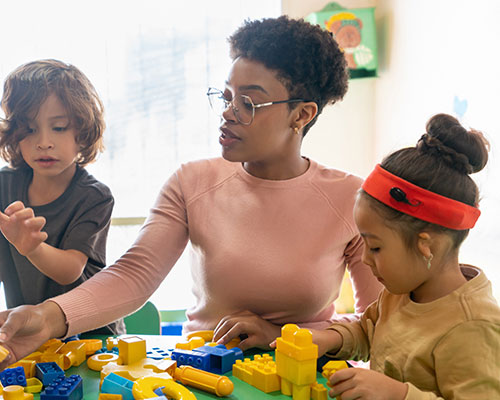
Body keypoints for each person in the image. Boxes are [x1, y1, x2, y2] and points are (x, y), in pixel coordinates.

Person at [0, 16, 382, 365]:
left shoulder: (352, 199)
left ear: (302, 114)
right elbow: (134, 277)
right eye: (227, 95)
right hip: (203, 372)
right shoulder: (191, 182)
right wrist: (47, 317)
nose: (228, 112)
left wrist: (288, 336)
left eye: (247, 102)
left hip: (305, 376)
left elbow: (381, 322)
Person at [311, 113, 500, 399]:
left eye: (375, 247)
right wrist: (330, 338)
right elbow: (368, 332)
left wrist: (399, 394)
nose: (364, 259)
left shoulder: (473, 325)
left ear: (426, 245)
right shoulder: (400, 292)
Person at [0, 59, 124, 335]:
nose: (44, 141)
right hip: (28, 331)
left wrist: (31, 247)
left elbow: (70, 269)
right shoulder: (4, 185)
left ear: (82, 132)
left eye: (59, 127)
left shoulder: (94, 196)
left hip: (92, 336)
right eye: (30, 129)